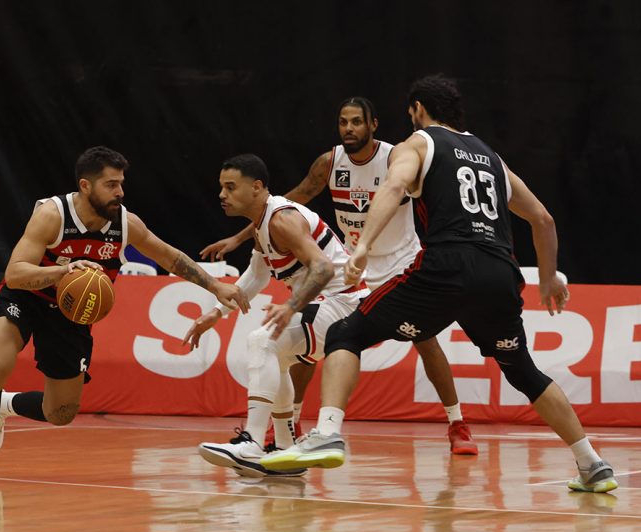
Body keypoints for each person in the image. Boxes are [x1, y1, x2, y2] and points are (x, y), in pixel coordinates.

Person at [260, 75, 618, 494]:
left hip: (448, 265)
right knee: (523, 371)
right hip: (500, 273)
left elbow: (394, 186)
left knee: (345, 333)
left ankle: (327, 433)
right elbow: (543, 219)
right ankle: (591, 463)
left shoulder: (418, 143)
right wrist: (548, 276)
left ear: (417, 109)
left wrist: (363, 246)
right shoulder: (491, 157)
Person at [0, 146, 249, 481]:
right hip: (26, 296)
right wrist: (61, 272)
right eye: (111, 184)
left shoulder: (125, 224)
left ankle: (3, 405)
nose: (119, 192)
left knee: (61, 412)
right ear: (85, 186)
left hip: (70, 313)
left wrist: (216, 286)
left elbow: (169, 257)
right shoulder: (53, 215)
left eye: (121, 183)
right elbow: (15, 274)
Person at [200, 97, 477, 455]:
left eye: (357, 122)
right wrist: (242, 236)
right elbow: (289, 199)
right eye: (343, 122)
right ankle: (289, 428)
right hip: (353, 263)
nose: (349, 128)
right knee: (301, 351)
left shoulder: (396, 158)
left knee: (424, 338)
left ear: (373, 124)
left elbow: (431, 198)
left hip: (398, 263)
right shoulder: (329, 163)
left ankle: (457, 423)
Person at [184, 153, 369, 477]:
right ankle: (284, 448)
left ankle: (252, 442)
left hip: (344, 304)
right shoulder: (262, 225)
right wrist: (216, 312)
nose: (222, 195)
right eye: (221, 187)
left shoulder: (282, 219)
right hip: (331, 304)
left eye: (230, 187)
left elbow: (323, 267)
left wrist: (291, 306)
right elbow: (256, 276)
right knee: (276, 356)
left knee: (262, 341)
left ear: (256, 187)